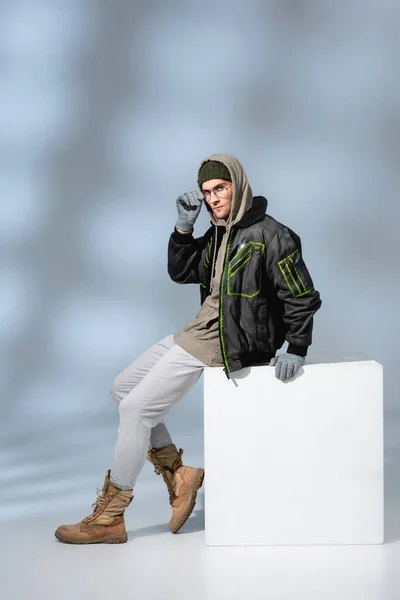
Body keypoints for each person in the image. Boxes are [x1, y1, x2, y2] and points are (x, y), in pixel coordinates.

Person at [54, 153, 322, 545]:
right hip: (200, 329)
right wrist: (183, 228)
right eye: (207, 192)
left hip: (229, 340)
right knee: (121, 388)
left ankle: (111, 516)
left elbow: (302, 295)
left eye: (220, 188)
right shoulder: (218, 232)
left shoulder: (272, 235)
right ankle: (179, 474)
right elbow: (182, 272)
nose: (213, 198)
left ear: (238, 185)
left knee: (134, 409)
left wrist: (297, 346)